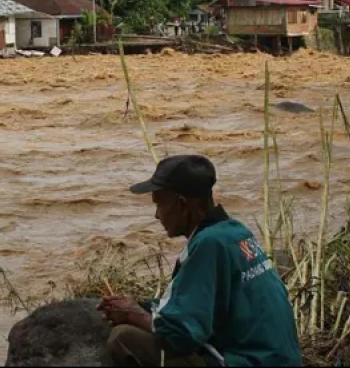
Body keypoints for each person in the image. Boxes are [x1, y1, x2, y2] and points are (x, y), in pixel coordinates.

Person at [98, 155, 302, 367]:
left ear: (183, 204)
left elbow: (182, 335)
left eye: (159, 204)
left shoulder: (208, 244)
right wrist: (143, 307)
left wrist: (135, 315)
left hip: (250, 361)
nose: (157, 215)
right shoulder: (235, 232)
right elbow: (196, 305)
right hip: (278, 358)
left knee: (124, 339)